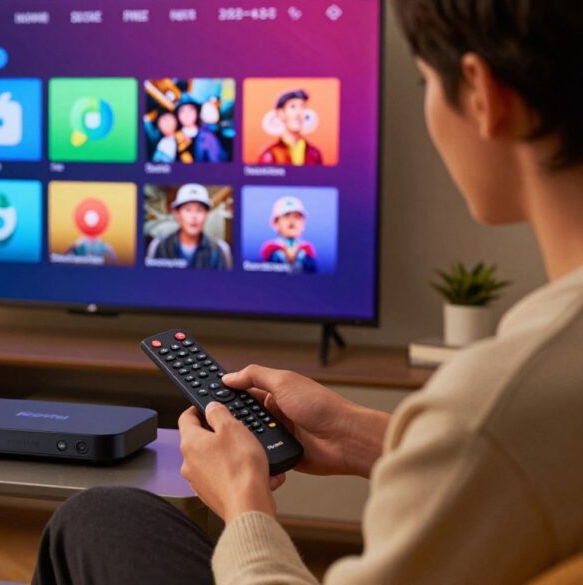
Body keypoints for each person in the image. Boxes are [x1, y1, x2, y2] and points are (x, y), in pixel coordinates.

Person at [34, 0, 583, 583]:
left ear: (482, 93)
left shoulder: (495, 400)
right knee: (103, 514)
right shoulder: (523, 399)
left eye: (423, 80)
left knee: (91, 519)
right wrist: (359, 435)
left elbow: (489, 439)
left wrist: (244, 498)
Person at [146, 184, 232, 270]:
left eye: (199, 210)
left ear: (206, 214)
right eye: (188, 210)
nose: (193, 217)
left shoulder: (219, 250)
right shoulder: (159, 246)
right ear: (177, 214)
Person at [257, 89, 324, 166]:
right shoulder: (270, 154)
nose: (298, 113)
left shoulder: (314, 153)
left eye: (303, 107)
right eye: (293, 107)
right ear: (281, 113)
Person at [260, 196, 317, 274]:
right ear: (275, 223)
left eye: (297, 217)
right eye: (286, 216)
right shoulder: (270, 249)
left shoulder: (307, 249)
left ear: (303, 224)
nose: (292, 220)